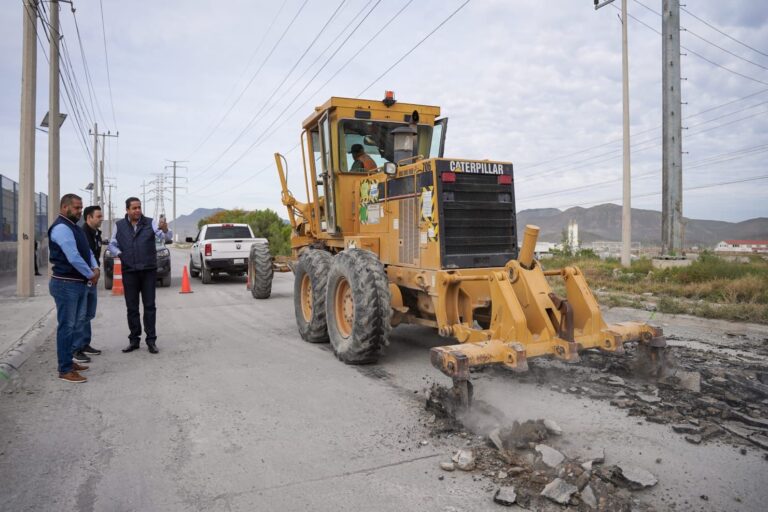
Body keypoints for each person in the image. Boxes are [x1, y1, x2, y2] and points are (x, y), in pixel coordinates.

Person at [108, 197, 172, 354]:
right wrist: (120, 254)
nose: (137, 210)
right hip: (129, 271)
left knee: (150, 306)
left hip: (148, 270)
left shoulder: (150, 223)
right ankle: (134, 340)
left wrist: (165, 229)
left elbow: (166, 237)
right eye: (134, 208)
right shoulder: (119, 225)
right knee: (132, 307)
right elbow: (112, 244)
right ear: (127, 210)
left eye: (139, 207)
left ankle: (151, 341)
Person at [48, 194, 100, 383]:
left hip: (76, 283)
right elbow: (73, 256)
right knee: (66, 327)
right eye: (76, 208)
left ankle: (69, 362)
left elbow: (87, 252)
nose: (79, 211)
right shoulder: (61, 228)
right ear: (64, 208)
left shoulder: (74, 228)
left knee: (74, 325)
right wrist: (90, 274)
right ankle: (64, 369)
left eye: (81, 207)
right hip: (65, 284)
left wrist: (95, 268)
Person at [73, 205, 105, 361]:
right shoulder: (81, 234)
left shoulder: (95, 234)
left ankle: (85, 343)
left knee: (88, 314)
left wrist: (96, 271)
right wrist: (90, 273)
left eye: (101, 216)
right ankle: (76, 349)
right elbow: (79, 257)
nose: (101, 219)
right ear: (89, 218)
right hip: (84, 279)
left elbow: (94, 255)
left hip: (93, 277)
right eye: (98, 216)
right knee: (80, 315)